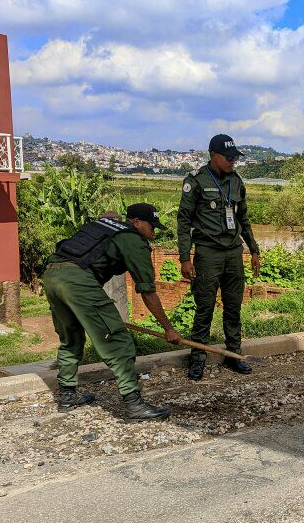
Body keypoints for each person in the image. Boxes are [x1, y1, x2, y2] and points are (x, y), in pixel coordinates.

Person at [43, 203, 180, 420]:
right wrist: (169, 329)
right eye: (151, 225)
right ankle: (134, 404)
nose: (154, 231)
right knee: (118, 342)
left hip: (52, 275)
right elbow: (147, 291)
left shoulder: (102, 226)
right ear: (135, 222)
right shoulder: (133, 239)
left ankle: (68, 395)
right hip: (78, 282)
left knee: (71, 336)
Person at [177, 133, 260, 380]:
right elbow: (183, 222)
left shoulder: (237, 182)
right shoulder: (197, 182)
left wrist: (254, 250)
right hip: (208, 253)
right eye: (229, 157)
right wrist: (184, 258)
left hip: (234, 253)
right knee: (205, 307)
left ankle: (234, 354)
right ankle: (198, 358)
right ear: (214, 156)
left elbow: (243, 219)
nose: (233, 161)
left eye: (236, 157)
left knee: (233, 307)